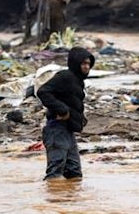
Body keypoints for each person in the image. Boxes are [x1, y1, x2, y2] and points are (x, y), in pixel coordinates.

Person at [37, 47, 95, 181]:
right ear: (75, 63)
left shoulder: (78, 81)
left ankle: (69, 200)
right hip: (56, 129)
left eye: (88, 64)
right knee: (55, 175)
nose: (87, 67)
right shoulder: (65, 76)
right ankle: (54, 199)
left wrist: (79, 118)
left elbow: (71, 101)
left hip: (68, 130)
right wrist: (62, 110)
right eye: (83, 63)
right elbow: (43, 91)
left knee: (74, 174)